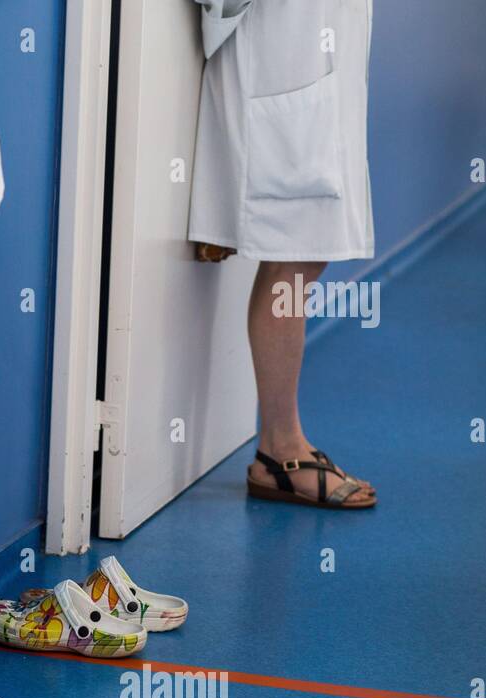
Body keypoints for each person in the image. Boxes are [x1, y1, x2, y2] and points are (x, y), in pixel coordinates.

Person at [189, 0, 376, 509]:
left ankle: (280, 444)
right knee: (293, 256)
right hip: (279, 59)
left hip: (309, 57)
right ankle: (279, 450)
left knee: (302, 255)